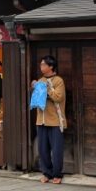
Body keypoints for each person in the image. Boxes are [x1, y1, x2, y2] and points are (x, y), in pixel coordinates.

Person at [31, 55, 66, 184]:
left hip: (55, 120)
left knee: (56, 149)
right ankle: (47, 173)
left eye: (44, 64)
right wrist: (35, 88)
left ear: (51, 66)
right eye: (41, 65)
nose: (41, 67)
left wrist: (46, 89)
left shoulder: (58, 81)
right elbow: (36, 100)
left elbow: (58, 97)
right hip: (41, 120)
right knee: (43, 149)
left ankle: (57, 174)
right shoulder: (40, 80)